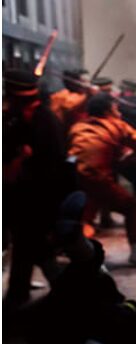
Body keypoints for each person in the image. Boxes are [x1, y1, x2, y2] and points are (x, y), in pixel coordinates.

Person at [21, 192, 136, 344]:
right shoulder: (121, 312)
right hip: (66, 335)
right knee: (96, 286)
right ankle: (74, 240)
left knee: (106, 312)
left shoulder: (120, 321)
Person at [2, 69, 75, 307]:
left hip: (38, 196)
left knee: (33, 244)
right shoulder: (19, 118)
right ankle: (19, 291)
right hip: (23, 196)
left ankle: (65, 293)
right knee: (27, 244)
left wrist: (20, 160)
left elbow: (51, 166)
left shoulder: (44, 121)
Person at [67, 93, 136, 265]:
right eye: (116, 109)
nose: (119, 112)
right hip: (97, 177)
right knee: (133, 208)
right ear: (108, 111)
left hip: (74, 177)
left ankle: (80, 254)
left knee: (85, 218)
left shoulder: (77, 127)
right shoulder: (116, 125)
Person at [49, 68, 92, 139]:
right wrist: (88, 95)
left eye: (88, 82)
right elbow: (68, 106)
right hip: (65, 135)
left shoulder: (83, 95)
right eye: (84, 82)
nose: (87, 85)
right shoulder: (62, 96)